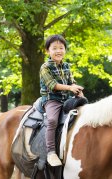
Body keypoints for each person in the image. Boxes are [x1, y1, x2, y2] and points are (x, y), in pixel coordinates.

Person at [39, 34, 84, 167]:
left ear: (65, 50)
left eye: (61, 48)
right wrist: (71, 88)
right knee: (52, 120)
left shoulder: (67, 66)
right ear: (48, 51)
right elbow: (52, 85)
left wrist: (80, 94)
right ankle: (51, 152)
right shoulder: (45, 67)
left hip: (66, 99)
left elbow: (73, 83)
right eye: (54, 48)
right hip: (52, 99)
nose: (58, 51)